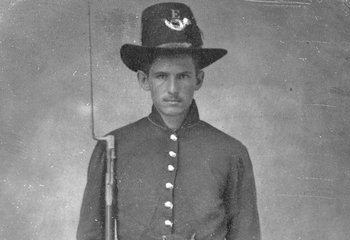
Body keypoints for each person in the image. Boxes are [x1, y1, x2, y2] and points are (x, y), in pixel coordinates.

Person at [77, 2, 260, 240]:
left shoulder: (230, 152)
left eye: (183, 76)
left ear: (199, 79)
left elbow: (246, 234)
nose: (172, 89)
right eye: (161, 76)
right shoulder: (112, 146)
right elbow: (90, 234)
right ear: (144, 80)